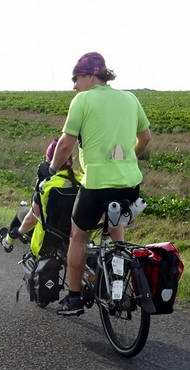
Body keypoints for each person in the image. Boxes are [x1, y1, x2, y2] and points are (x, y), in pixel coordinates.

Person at [49, 51, 152, 316]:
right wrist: (130, 158)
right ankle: (116, 280)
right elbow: (146, 137)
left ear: (91, 75)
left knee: (78, 235)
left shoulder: (83, 100)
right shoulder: (130, 98)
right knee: (115, 225)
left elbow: (65, 145)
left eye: (76, 78)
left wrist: (52, 169)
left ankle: (73, 297)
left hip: (96, 184)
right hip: (130, 183)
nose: (74, 86)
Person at [0, 138, 79, 257]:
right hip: (75, 236)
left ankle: (8, 240)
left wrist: (18, 232)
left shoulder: (48, 185)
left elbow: (32, 217)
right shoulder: (82, 181)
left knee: (22, 211)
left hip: (48, 238)